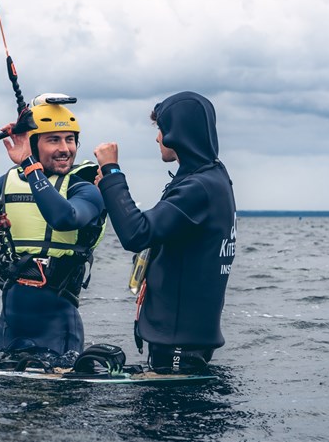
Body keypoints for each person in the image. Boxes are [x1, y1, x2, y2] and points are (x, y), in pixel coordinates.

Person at [0, 95, 106, 367]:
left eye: (70, 139)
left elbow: (64, 218)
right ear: (33, 143)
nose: (65, 148)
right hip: (5, 336)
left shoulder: (85, 188)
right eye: (53, 139)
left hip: (59, 342)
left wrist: (30, 166)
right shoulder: (10, 182)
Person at [93, 91, 237, 374]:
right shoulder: (214, 176)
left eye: (161, 129)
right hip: (186, 339)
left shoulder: (199, 189)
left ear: (177, 133)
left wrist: (111, 173)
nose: (158, 137)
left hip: (178, 345)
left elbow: (136, 233)